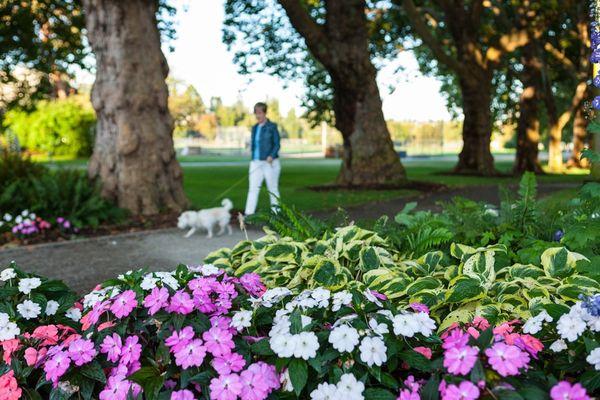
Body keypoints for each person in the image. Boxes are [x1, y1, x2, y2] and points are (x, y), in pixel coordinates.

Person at [244, 102, 281, 215]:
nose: (257, 115)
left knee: (272, 190)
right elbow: (254, 144)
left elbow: (277, 144)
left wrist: (271, 155)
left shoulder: (272, 126)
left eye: (260, 112)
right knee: (253, 189)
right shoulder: (254, 128)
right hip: (255, 163)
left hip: (270, 163)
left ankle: (277, 215)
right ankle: (248, 215)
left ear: (265, 113)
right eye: (256, 113)